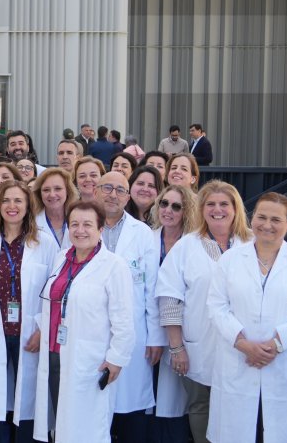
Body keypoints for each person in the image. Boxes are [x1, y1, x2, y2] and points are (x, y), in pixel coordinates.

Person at [206, 193, 287, 442]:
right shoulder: (230, 260)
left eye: (276, 219)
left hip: (285, 364)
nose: (267, 225)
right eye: (261, 217)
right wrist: (244, 345)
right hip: (238, 360)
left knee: (280, 431)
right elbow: (216, 306)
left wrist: (274, 345)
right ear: (252, 219)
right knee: (237, 430)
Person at [155, 181, 252, 443]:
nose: (217, 210)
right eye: (210, 204)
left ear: (235, 209)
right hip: (198, 345)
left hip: (244, 346)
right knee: (200, 406)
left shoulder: (251, 244)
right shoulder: (187, 246)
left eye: (224, 204)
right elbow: (169, 298)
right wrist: (176, 348)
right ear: (201, 209)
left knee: (238, 408)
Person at [33, 201, 134, 443]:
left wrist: (116, 360)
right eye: (74, 224)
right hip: (55, 353)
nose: (80, 230)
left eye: (88, 224)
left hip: (90, 360)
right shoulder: (61, 259)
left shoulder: (113, 266)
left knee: (87, 427)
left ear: (100, 229)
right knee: (61, 421)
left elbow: (123, 320)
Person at [0, 181, 56, 443]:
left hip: (30, 331)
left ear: (28, 206)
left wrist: (43, 326)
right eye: (6, 200)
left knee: (28, 399)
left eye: (18, 201)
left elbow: (55, 289)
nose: (12, 206)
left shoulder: (44, 242)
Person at [95, 172, 164, 440]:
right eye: (108, 188)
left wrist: (155, 337)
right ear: (97, 190)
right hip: (93, 331)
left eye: (120, 190)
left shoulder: (142, 233)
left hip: (133, 333)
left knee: (128, 408)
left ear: (128, 196)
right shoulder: (82, 225)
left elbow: (151, 288)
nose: (113, 194)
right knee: (95, 408)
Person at [149, 184, 199, 442]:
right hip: (149, 332)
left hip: (181, 332)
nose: (168, 210)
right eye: (164, 204)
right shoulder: (146, 238)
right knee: (151, 397)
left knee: (176, 401)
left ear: (187, 210)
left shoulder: (195, 244)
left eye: (176, 206)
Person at [32, 168, 77, 253]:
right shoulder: (31, 222)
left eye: (58, 188)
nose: (52, 195)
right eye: (46, 190)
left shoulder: (80, 217)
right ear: (39, 194)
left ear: (68, 191)